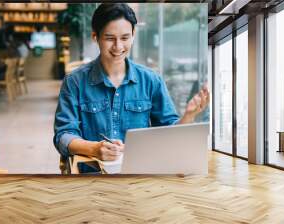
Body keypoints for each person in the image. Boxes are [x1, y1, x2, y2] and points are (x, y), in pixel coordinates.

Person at [53, 3, 209, 162]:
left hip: (139, 172)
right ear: (95, 37)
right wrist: (94, 149)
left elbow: (168, 133)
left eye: (125, 38)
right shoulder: (74, 82)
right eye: (109, 38)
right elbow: (63, 135)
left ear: (133, 34)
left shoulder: (151, 80)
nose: (118, 46)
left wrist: (188, 116)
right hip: (91, 176)